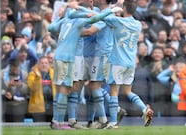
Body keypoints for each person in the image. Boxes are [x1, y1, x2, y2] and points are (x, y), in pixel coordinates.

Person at [48, 2, 122, 130]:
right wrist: (110, 10)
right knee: (68, 89)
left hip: (64, 55)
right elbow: (93, 21)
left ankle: (64, 120)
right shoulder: (79, 22)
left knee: (69, 87)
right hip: (72, 57)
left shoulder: (65, 20)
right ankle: (59, 122)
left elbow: (51, 28)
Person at [103, 0, 153, 128]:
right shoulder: (137, 24)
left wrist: (114, 7)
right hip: (130, 63)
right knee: (128, 91)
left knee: (113, 92)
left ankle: (113, 122)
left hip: (117, 61)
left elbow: (102, 16)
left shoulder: (117, 21)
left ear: (124, 8)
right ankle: (144, 109)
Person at [27, 56, 56, 122]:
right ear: (38, 64)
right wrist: (37, 77)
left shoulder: (54, 74)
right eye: (42, 63)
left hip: (53, 108)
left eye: (46, 63)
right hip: (38, 109)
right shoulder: (32, 74)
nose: (44, 65)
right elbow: (33, 89)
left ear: (49, 64)